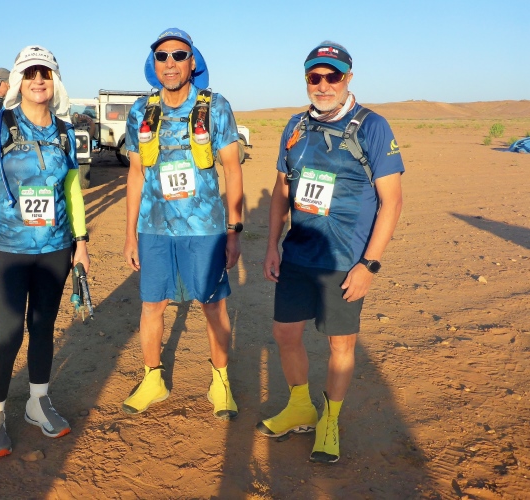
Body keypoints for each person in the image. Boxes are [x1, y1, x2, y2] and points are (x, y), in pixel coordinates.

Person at [257, 42, 404, 464]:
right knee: (285, 334)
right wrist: (272, 245)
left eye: (332, 76)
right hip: (297, 255)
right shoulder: (295, 126)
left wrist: (369, 265)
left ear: (348, 78)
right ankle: (300, 407)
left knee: (341, 345)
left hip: (345, 260)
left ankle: (330, 420)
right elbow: (282, 189)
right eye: (314, 77)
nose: (323, 85)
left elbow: (392, 201)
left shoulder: (373, 127)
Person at [0, 45, 89, 458]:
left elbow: (71, 190)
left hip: (55, 247)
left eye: (46, 73)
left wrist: (81, 243)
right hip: (7, 248)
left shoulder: (65, 131)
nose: (39, 80)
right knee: (8, 333)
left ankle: (38, 402)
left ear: (55, 81)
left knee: (43, 327)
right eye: (31, 73)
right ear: (20, 80)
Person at [121, 28, 244, 420]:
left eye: (179, 55)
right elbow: (136, 173)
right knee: (152, 305)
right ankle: (153, 379)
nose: (170, 63)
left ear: (193, 62)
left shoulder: (215, 107)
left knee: (212, 305)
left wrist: (234, 230)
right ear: (153, 64)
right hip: (154, 226)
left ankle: (220, 382)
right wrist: (130, 234)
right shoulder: (141, 111)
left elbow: (232, 169)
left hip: (204, 227)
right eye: (162, 56)